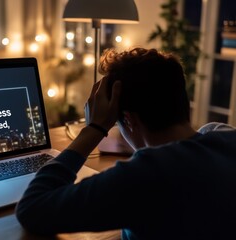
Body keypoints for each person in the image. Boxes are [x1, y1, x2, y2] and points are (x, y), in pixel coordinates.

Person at [15, 47, 236, 240]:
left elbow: (32, 209)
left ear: (128, 119)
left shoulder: (147, 174)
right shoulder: (224, 135)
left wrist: (94, 129)